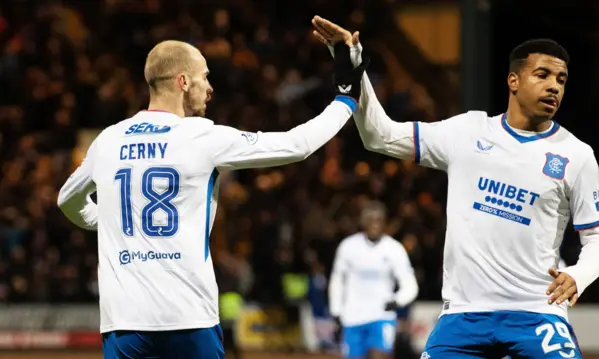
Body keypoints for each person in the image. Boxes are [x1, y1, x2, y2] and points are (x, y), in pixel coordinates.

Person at [312, 16, 599, 358]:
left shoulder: (576, 154)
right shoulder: (467, 132)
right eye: (542, 75)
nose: (554, 87)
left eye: (561, 79)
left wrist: (578, 275)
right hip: (462, 317)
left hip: (537, 312)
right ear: (513, 80)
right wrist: (353, 66)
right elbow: (379, 136)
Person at [56, 39, 368, 359]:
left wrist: (109, 221)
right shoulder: (202, 138)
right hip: (188, 318)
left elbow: (67, 200)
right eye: (204, 76)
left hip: (123, 321)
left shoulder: (108, 140)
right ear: (183, 81)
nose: (210, 88)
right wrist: (345, 98)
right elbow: (296, 145)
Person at [329, 201, 419, 359]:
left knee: (380, 356)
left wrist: (397, 301)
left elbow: (409, 284)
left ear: (385, 222)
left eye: (379, 220)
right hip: (352, 317)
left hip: (381, 316)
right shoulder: (348, 247)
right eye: (370, 219)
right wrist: (336, 310)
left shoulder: (394, 249)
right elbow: (337, 280)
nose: (375, 224)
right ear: (363, 222)